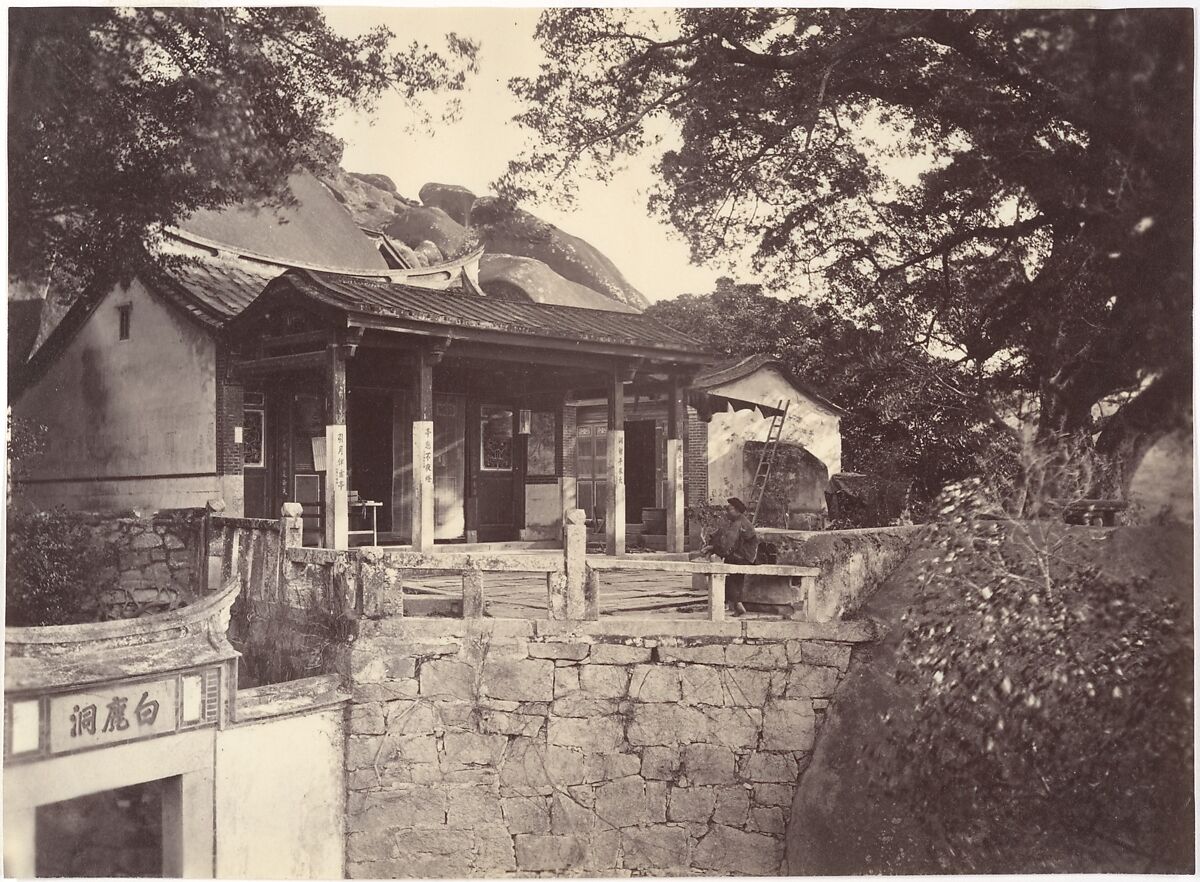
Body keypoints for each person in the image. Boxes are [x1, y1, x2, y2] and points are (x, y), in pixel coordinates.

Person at [696, 497, 759, 615]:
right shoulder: (739, 521)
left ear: (736, 510)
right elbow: (724, 536)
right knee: (736, 578)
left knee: (726, 573)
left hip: (744, 557)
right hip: (746, 556)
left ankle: (731, 603)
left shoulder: (738, 523)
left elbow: (727, 546)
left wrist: (712, 549)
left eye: (729, 509)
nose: (727, 512)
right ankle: (737, 603)